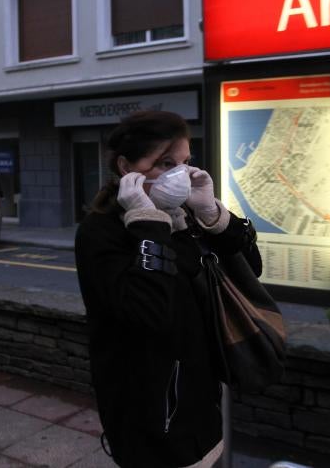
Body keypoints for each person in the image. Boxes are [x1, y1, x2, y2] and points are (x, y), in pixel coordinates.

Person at [75, 111, 261, 468]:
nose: (179, 174)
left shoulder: (185, 216)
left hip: (203, 401)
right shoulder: (102, 233)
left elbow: (250, 271)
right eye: (164, 163)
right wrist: (148, 224)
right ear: (126, 166)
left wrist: (213, 216)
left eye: (185, 162)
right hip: (149, 417)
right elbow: (148, 313)